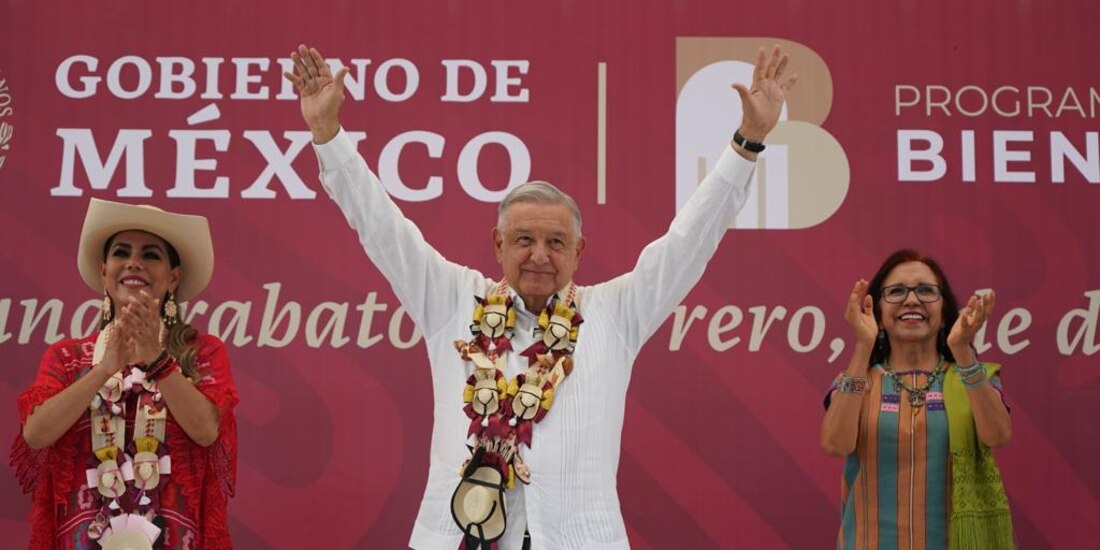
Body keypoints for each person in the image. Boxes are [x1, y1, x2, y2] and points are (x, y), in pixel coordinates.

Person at [285, 43, 796, 549]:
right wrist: (327, 135)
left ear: (579, 251)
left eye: (556, 243)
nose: (539, 256)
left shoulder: (615, 313)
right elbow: (380, 226)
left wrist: (748, 141)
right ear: (498, 244)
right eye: (524, 240)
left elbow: (689, 242)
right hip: (456, 538)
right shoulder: (451, 301)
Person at [11, 199, 239, 549]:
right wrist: (102, 370)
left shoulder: (200, 352)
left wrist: (157, 359)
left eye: (150, 255)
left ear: (173, 276)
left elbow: (207, 430)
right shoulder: (68, 357)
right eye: (121, 252)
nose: (134, 262)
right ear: (104, 271)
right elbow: (36, 434)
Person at [820, 249, 1014, 549]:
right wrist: (863, 346)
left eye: (926, 291)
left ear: (944, 311)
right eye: (896, 292)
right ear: (878, 314)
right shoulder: (856, 381)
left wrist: (963, 351)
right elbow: (835, 444)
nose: (912, 300)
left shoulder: (974, 377)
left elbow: (998, 435)